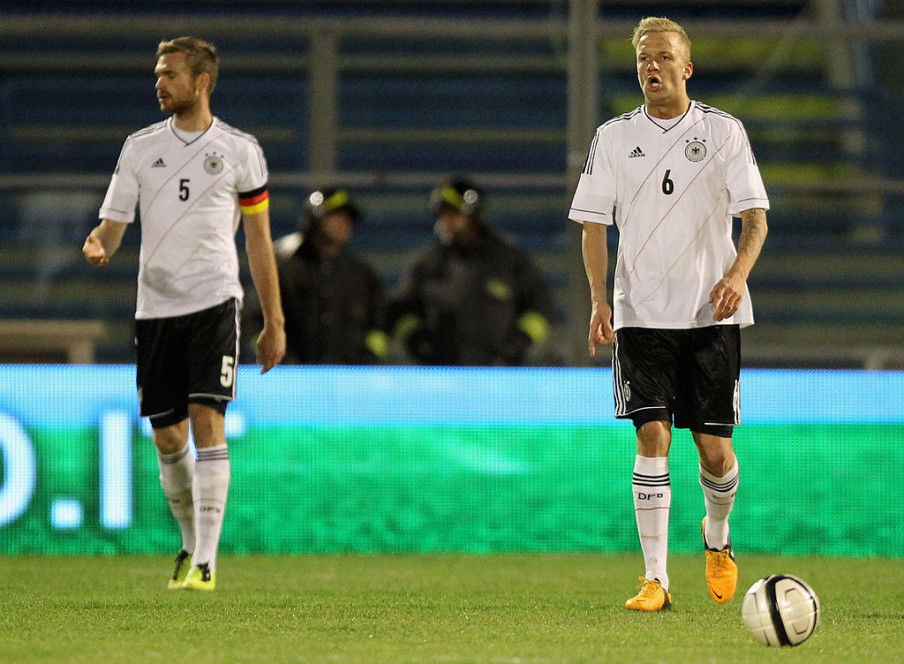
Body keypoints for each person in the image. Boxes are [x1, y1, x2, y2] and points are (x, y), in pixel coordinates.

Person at [569, 17, 769, 611]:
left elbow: (755, 216)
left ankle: (717, 535)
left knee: (713, 451)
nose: (651, 67)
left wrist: (737, 276)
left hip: (710, 314)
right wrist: (600, 301)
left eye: (663, 58)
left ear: (687, 67)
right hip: (640, 314)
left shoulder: (723, 132)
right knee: (651, 434)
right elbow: (593, 224)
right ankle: (656, 579)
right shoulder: (612, 138)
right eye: (642, 60)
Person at [82, 37, 286, 591]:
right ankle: (190, 542)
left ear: (202, 82)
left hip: (215, 302)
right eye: (157, 74)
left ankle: (206, 562)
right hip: (155, 309)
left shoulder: (241, 151)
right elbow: (114, 225)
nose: (159, 83)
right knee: (168, 439)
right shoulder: (139, 148)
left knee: (205, 419)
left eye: (170, 74)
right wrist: (99, 243)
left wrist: (275, 321)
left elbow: (260, 241)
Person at [387, 177, 554, 366]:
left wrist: (517, 343)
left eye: (452, 215)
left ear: (472, 216)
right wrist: (418, 342)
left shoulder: (510, 261)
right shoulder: (426, 265)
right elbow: (401, 311)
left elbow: (541, 308)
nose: (445, 222)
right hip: (440, 376)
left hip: (499, 376)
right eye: (442, 215)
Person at [243, 188, 388, 364]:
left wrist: (367, 360)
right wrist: (281, 362)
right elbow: (254, 322)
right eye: (335, 216)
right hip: (293, 379)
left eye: (348, 218)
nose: (344, 224)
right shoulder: (284, 270)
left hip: (349, 379)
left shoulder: (362, 274)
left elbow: (380, 325)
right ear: (314, 220)